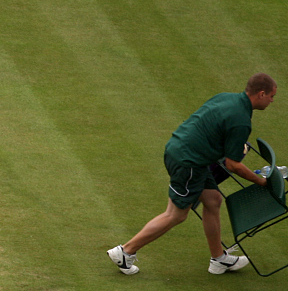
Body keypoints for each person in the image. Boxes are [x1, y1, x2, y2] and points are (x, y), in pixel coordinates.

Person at [107, 73, 277, 275]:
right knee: (176, 214)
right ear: (261, 94)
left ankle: (219, 259)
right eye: (271, 96)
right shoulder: (241, 121)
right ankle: (126, 251)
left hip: (182, 151)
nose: (272, 101)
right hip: (189, 163)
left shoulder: (225, 97)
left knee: (213, 200)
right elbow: (233, 165)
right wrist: (260, 181)